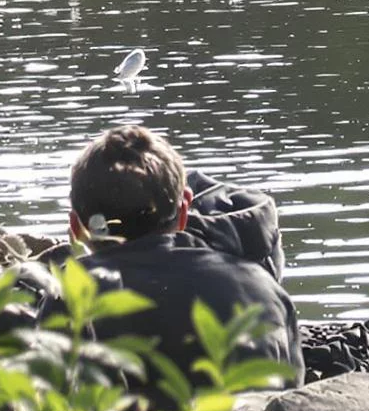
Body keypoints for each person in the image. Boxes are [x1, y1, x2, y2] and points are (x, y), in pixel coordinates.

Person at [51, 124, 302, 391]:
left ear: (75, 227)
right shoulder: (262, 286)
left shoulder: (68, 298)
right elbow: (292, 399)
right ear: (184, 212)